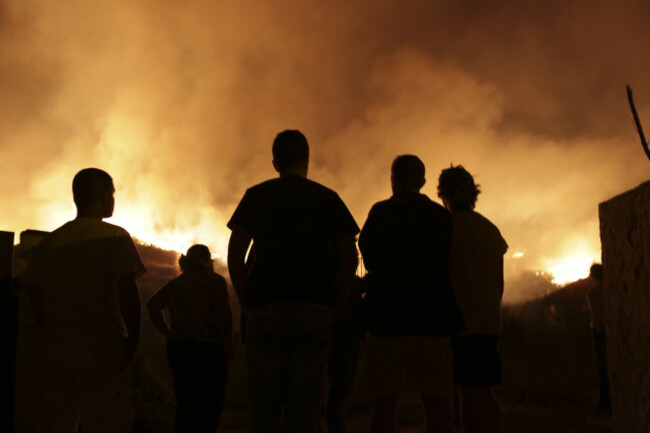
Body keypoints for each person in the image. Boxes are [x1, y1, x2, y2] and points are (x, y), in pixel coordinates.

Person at [227, 129, 359, 433]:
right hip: (314, 310)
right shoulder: (327, 198)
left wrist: (247, 299)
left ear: (275, 162)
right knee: (306, 405)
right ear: (307, 160)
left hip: (266, 309)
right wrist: (336, 304)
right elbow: (349, 255)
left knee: (263, 405)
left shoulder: (256, 196)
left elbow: (235, 251)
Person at [23, 168, 145, 433]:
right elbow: (128, 293)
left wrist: (46, 333)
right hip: (102, 348)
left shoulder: (50, 243)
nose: (113, 199)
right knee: (107, 423)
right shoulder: (115, 237)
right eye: (112, 194)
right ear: (102, 196)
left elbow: (32, 292)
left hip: (57, 350)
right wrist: (133, 338)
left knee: (58, 422)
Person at [358, 155, 465, 433]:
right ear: (423, 182)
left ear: (393, 180)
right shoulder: (441, 217)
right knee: (437, 403)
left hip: (386, 318)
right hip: (432, 318)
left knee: (384, 403)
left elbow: (368, 257)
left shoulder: (380, 213)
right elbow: (448, 260)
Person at [437, 165, 507, 433]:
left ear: (445, 194)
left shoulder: (445, 228)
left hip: (459, 323)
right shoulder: (490, 230)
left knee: (466, 395)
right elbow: (499, 283)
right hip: (488, 324)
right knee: (485, 392)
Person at [146, 244, 233, 433]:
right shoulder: (215, 282)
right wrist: (228, 345)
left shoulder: (176, 285)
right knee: (211, 403)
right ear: (207, 260)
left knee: (186, 404)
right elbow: (223, 316)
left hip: (181, 349)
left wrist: (169, 333)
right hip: (209, 350)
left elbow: (152, 306)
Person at [586, 263, 610, 414]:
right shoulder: (611, 288)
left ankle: (605, 401)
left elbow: (596, 316)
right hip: (611, 329)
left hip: (600, 332)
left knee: (603, 366)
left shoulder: (592, 293)